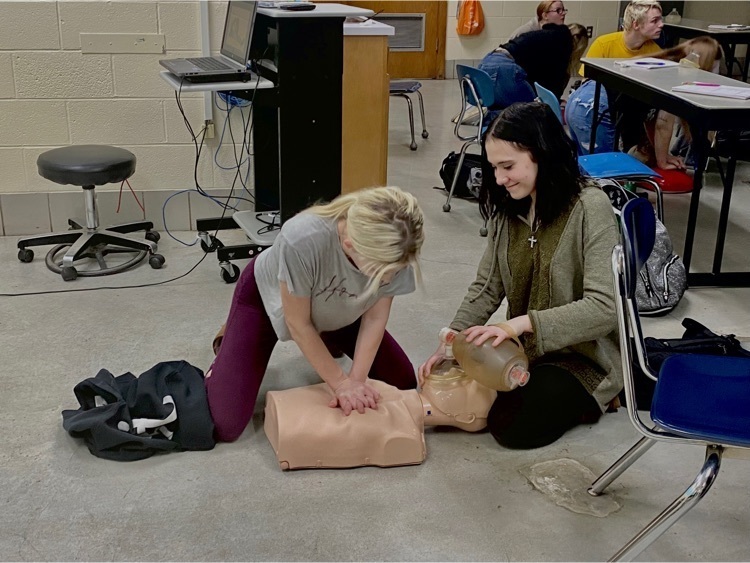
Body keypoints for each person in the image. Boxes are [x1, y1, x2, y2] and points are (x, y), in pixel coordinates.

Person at [419, 102, 621, 449]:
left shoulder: (591, 207)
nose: (499, 179)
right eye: (494, 167)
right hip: (524, 351)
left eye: (508, 166)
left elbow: (604, 308)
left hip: (584, 357)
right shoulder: (508, 209)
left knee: (511, 426)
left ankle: (607, 395)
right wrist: (451, 339)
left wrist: (519, 324)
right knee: (447, 382)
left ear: (542, 154)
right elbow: (487, 286)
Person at [206, 186, 425, 442]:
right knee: (225, 424)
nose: (389, 278)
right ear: (349, 244)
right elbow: (298, 323)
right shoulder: (302, 237)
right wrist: (340, 384)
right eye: (380, 271)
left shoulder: (398, 245)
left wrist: (355, 381)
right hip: (269, 300)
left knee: (403, 383)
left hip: (342, 303)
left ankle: (330, 333)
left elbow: (374, 318)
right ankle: (229, 338)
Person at [565, 0, 664, 155]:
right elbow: (588, 86)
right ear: (636, 24)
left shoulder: (656, 53)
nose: (661, 25)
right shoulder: (604, 44)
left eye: (661, 19)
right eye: (655, 21)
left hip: (629, 112)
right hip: (599, 108)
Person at [631, 36, 722, 170]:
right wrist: (662, 161)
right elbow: (663, 124)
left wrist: (663, 154)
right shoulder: (673, 74)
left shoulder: (674, 58)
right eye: (712, 67)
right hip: (626, 111)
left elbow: (656, 119)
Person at [479, 23, 589, 116]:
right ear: (577, 45)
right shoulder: (563, 45)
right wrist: (556, 103)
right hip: (505, 69)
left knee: (505, 106)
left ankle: (490, 119)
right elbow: (553, 84)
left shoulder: (550, 34)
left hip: (488, 62)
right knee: (532, 113)